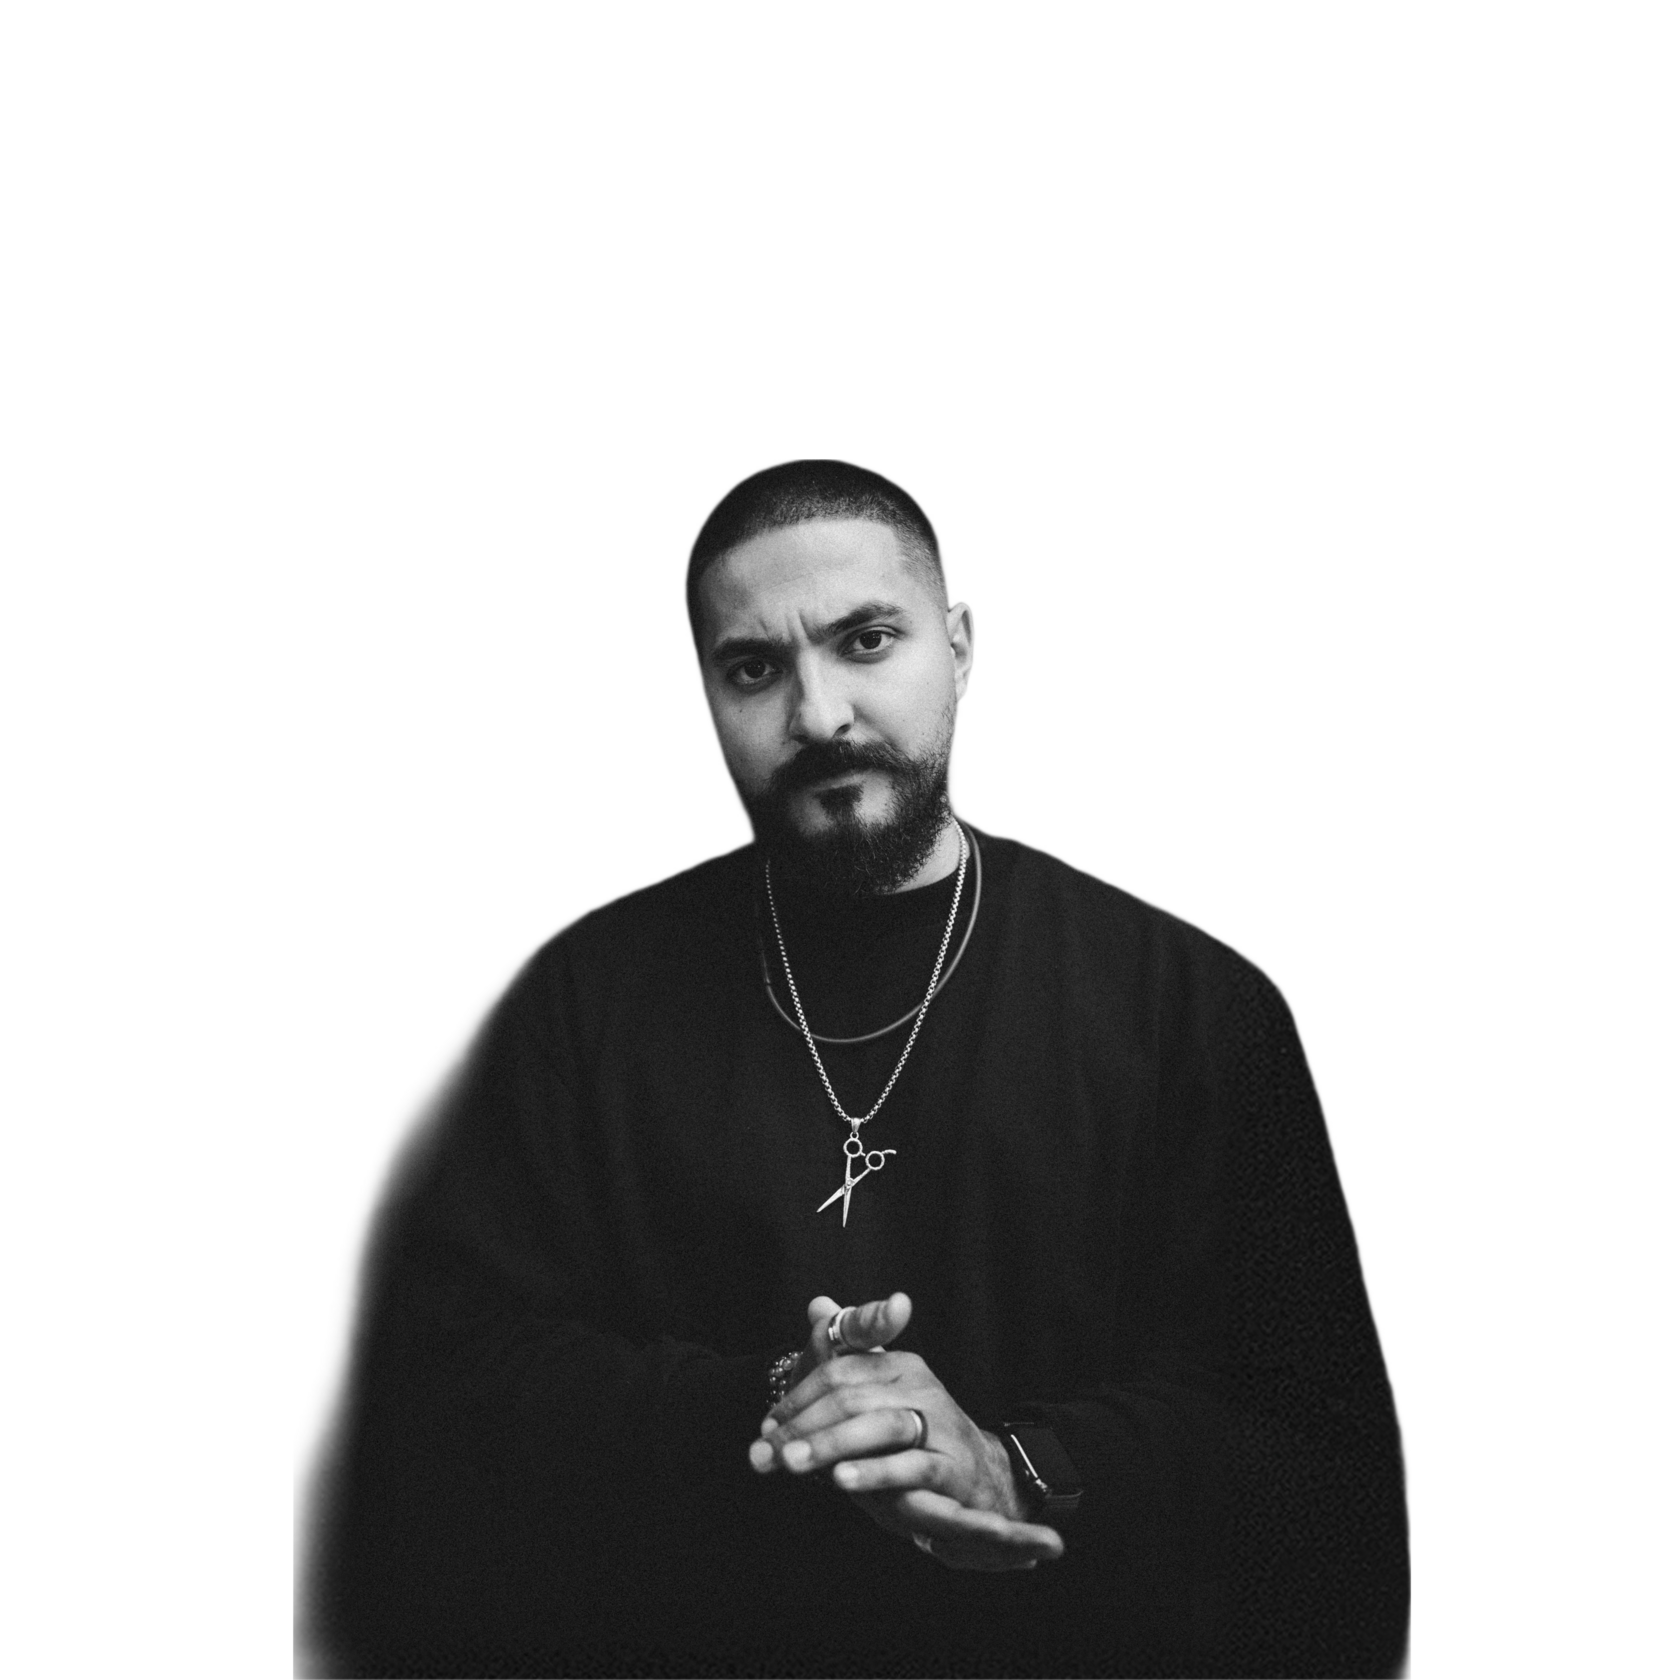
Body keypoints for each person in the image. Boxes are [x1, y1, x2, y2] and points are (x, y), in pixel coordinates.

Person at [291, 459, 1410, 1676]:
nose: (817, 713)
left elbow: (1312, 1439)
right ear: (703, 692)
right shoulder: (570, 1002)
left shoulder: (1195, 1003)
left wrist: (1018, 1465)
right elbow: (420, 1388)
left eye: (867, 640)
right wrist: (783, 1397)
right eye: (753, 669)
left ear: (961, 649)